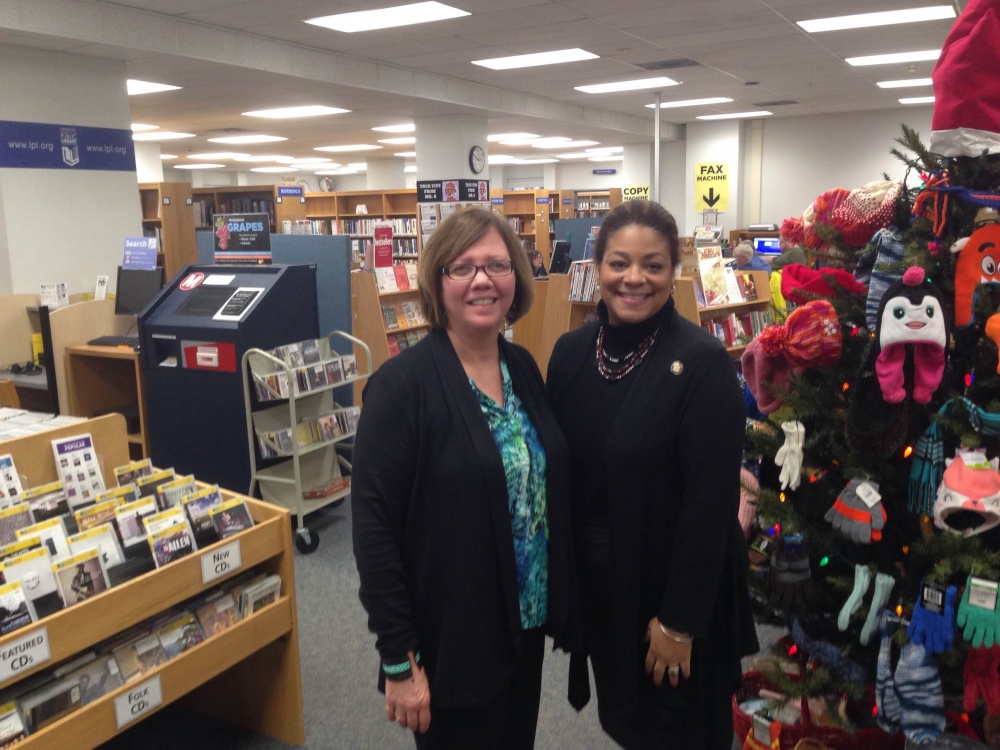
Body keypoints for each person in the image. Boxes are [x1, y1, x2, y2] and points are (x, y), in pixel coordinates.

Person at [352, 207, 579, 750]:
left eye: (497, 265)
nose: (483, 280)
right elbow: (374, 533)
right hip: (451, 638)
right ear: (438, 281)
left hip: (522, 626)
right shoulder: (401, 388)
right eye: (463, 267)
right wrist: (399, 661)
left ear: (516, 278)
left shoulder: (521, 366)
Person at [546, 200, 758, 750]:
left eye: (653, 264)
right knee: (627, 720)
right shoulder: (569, 355)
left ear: (674, 270)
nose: (634, 278)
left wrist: (679, 622)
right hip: (607, 588)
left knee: (680, 728)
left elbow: (711, 505)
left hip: (675, 587)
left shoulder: (704, 362)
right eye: (619, 263)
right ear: (597, 268)